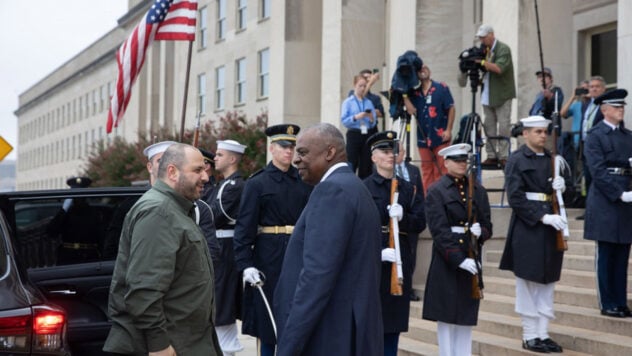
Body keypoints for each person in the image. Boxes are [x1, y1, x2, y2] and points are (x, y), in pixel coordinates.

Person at [273, 123, 384, 355]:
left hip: (330, 335)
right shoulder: (355, 187)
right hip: (347, 331)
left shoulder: (332, 191)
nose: (296, 160)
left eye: (303, 152)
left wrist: (289, 344)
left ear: (330, 152)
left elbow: (317, 275)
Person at [104, 143, 222, 355]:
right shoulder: (159, 212)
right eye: (197, 170)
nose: (205, 177)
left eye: (205, 170)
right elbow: (143, 288)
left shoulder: (176, 208)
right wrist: (158, 344)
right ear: (172, 172)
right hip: (169, 346)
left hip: (187, 341)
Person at [233, 124, 312, 356]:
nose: (289, 151)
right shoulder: (257, 183)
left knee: (296, 318)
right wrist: (245, 265)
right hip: (268, 256)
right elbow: (244, 230)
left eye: (292, 147)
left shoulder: (304, 181)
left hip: (297, 253)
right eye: (283, 146)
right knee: (268, 324)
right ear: (272, 148)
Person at [499, 116, 567, 353]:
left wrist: (560, 188)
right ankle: (530, 335)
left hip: (550, 228)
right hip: (529, 227)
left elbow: (553, 195)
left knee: (548, 280)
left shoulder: (552, 159)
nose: (543, 136)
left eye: (545, 131)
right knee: (527, 283)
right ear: (525, 134)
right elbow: (515, 198)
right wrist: (542, 216)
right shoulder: (517, 160)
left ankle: (543, 333)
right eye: (537, 131)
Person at [422, 143, 492, 356]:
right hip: (448, 261)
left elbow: (488, 225)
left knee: (466, 317)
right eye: (457, 161)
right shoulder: (437, 191)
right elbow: (439, 231)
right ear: (446, 162)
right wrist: (459, 260)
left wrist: (482, 233)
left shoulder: (477, 190)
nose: (462, 164)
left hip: (472, 255)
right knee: (446, 318)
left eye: (464, 160)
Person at [363, 131, 426, 355]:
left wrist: (403, 217)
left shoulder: (408, 188)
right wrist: (377, 252)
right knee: (370, 324)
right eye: (385, 151)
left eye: (393, 151)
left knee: (393, 324)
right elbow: (357, 229)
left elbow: (420, 222)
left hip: (399, 260)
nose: (391, 155)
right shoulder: (363, 188)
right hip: (372, 262)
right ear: (373, 157)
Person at [583, 89, 632, 318]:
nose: (621, 109)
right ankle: (607, 302)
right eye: (616, 107)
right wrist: (618, 194)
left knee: (622, 253)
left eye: (622, 106)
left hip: (627, 197)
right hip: (606, 198)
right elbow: (597, 171)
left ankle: (620, 301)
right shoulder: (595, 135)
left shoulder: (628, 136)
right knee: (607, 253)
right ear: (604, 110)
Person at [205, 139, 247, 356]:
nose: (215, 158)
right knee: (218, 305)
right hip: (219, 246)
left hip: (225, 248)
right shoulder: (222, 185)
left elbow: (215, 216)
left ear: (232, 159)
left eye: (219, 155)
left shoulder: (235, 186)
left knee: (222, 306)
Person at [402, 63, 455, 193]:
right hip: (423, 138)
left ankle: (442, 198)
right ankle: (428, 200)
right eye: (419, 70)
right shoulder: (415, 93)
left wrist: (449, 129)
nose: (423, 71)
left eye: (425, 68)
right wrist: (404, 95)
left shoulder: (441, 87)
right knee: (426, 170)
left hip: (440, 136)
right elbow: (411, 110)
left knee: (441, 169)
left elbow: (451, 108)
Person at [475, 24, 516, 166]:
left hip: (502, 94)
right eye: (480, 38)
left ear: (491, 34)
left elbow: (499, 68)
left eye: (484, 37)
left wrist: (481, 62)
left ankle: (504, 155)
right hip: (487, 94)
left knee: (504, 125)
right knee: (489, 126)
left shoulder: (503, 49)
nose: (482, 40)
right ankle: (491, 154)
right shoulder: (484, 50)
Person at [394, 143, 424, 301]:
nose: (398, 155)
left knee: (411, 255)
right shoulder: (387, 170)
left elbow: (419, 195)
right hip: (394, 219)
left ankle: (408, 286)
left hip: (411, 220)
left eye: (400, 151)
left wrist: (419, 216)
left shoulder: (413, 170)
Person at [578, 76, 607, 217]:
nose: (594, 89)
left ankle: (598, 209)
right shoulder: (587, 104)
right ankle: (589, 210)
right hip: (586, 146)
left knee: (598, 178)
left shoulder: (606, 105)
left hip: (600, 148)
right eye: (591, 87)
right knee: (588, 179)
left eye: (597, 86)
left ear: (604, 89)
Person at [341, 74, 378, 178]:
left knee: (366, 163)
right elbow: (344, 120)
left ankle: (365, 186)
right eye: (360, 86)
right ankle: (350, 183)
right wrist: (356, 117)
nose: (362, 88)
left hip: (367, 133)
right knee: (352, 160)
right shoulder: (348, 102)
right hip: (354, 133)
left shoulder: (369, 102)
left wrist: (370, 118)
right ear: (354, 85)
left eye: (364, 86)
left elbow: (373, 122)